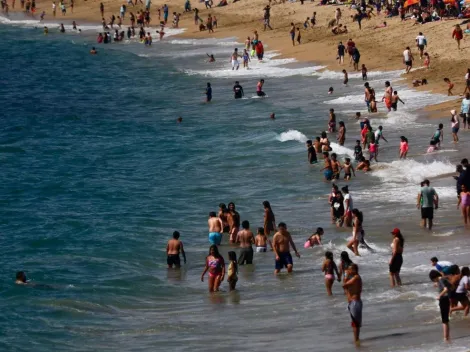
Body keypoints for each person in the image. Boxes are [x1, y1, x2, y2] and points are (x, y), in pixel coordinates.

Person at [343, 264, 363, 346]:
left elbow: (344, 285)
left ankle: (356, 340)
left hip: (355, 302)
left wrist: (346, 276)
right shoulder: (354, 278)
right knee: (354, 323)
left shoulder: (356, 278)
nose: (348, 271)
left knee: (355, 323)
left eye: (350, 269)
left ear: (354, 270)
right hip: (352, 302)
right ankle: (356, 339)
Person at [429, 270, 451, 341]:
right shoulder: (442, 279)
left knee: (444, 321)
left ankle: (446, 338)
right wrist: (437, 284)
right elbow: (450, 286)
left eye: (433, 280)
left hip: (444, 299)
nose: (434, 281)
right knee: (445, 320)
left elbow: (446, 289)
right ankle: (447, 337)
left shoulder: (441, 280)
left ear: (434, 277)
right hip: (447, 299)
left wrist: (439, 296)